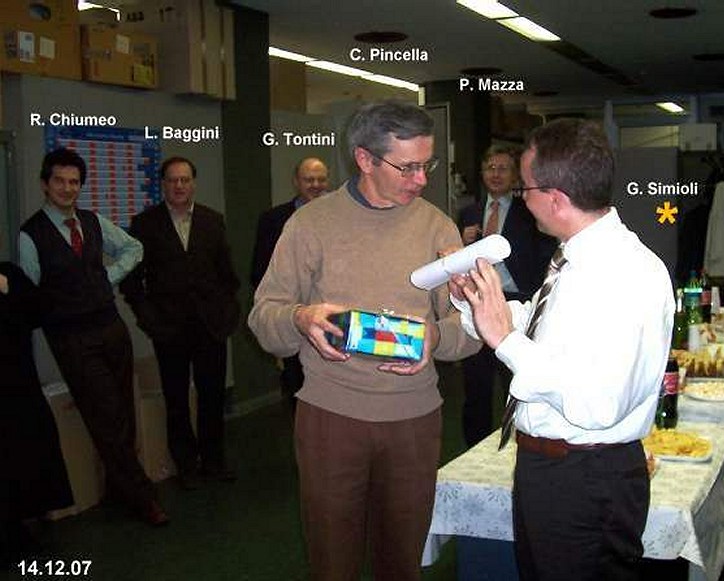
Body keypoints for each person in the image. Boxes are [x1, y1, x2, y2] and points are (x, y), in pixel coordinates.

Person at [247, 101, 481, 581]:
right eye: (407, 167)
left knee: (403, 561)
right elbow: (263, 319)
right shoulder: (310, 225)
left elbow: (471, 330)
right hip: (331, 418)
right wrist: (299, 318)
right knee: (333, 560)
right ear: (365, 159)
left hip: (413, 419)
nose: (421, 179)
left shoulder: (437, 227)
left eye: (427, 164)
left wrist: (436, 336)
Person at [449, 118, 674, 581]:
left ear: (555, 197)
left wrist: (506, 343)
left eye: (524, 187)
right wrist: (475, 300)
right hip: (553, 470)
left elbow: (599, 403)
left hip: (586, 477)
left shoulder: (627, 273)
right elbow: (535, 322)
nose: (521, 197)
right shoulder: (575, 258)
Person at [18, 148, 168, 526]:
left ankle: (119, 489)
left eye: (74, 182)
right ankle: (143, 497)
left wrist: (107, 278)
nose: (67, 188)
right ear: (45, 184)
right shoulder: (30, 235)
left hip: (111, 327)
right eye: (59, 181)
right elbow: (29, 293)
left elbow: (134, 248)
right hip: (72, 338)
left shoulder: (92, 221)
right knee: (106, 418)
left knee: (123, 413)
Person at [121, 156, 240, 490]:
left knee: (212, 396)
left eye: (185, 179)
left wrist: (227, 312)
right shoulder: (145, 224)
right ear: (163, 184)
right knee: (175, 399)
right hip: (169, 329)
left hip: (210, 327)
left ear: (193, 183)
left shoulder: (212, 221)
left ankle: (214, 461)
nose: (179, 186)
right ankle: (186, 465)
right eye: (172, 180)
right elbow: (132, 282)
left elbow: (227, 275)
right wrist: (149, 320)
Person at [457, 145, 555, 447]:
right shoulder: (469, 213)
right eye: (490, 168)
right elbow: (457, 261)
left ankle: (512, 442)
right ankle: (474, 448)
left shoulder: (530, 211)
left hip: (519, 301)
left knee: (516, 382)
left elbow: (544, 255)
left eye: (503, 168)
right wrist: (463, 243)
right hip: (478, 302)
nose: (496, 174)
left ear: (514, 176)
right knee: (476, 387)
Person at [1, 250, 73, 566]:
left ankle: (17, 526)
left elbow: (39, 311)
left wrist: (5, 288)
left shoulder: (9, 275)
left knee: (25, 454)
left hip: (19, 386)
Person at [250, 157, 329, 411]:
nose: (316, 185)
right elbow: (260, 271)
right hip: (293, 321)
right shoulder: (273, 220)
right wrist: (281, 317)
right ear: (296, 182)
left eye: (321, 179)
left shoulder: (340, 218)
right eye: (309, 180)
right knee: (300, 393)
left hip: (331, 320)